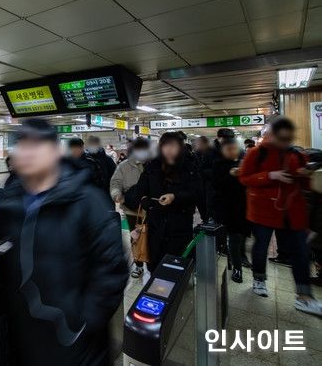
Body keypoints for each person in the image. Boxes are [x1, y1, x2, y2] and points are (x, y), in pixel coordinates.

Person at [0, 118, 127, 366]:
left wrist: (82, 325)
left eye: (37, 144)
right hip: (24, 339)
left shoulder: (88, 201)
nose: (27, 152)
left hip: (76, 347)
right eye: (22, 144)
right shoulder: (14, 198)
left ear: (54, 152)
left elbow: (112, 271)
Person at [238, 117, 322, 315]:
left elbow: (305, 188)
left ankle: (304, 296)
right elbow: (244, 177)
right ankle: (259, 279)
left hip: (292, 213)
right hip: (263, 211)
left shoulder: (297, 154)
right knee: (261, 246)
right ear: (273, 135)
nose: (285, 142)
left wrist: (303, 174)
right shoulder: (257, 153)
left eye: (288, 138)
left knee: (301, 253)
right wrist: (270, 176)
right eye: (281, 138)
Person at [125, 132, 202, 273]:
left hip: (180, 225)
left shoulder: (189, 166)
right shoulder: (152, 166)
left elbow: (197, 192)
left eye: (173, 146)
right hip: (156, 226)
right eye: (166, 145)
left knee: (177, 266)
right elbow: (138, 191)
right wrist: (144, 200)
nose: (169, 149)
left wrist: (175, 197)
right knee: (156, 265)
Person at [110, 137, 151, 278]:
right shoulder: (124, 166)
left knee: (154, 237)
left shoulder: (156, 164)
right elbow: (115, 183)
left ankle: (154, 264)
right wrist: (117, 195)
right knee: (136, 238)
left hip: (154, 209)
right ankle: (139, 265)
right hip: (133, 211)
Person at [211, 138, 251, 283]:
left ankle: (237, 267)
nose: (231, 151)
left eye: (234, 148)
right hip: (223, 207)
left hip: (241, 208)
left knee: (237, 238)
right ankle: (233, 264)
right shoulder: (218, 164)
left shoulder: (245, 163)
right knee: (225, 238)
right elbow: (215, 185)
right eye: (228, 149)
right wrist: (230, 175)